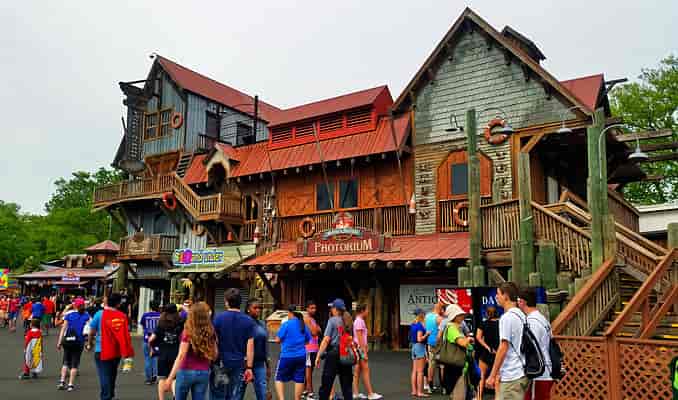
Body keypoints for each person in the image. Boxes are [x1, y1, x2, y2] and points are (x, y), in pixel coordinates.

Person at [164, 302, 218, 400]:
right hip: (203, 371)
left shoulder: (188, 331)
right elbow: (215, 354)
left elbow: (181, 356)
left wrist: (170, 378)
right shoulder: (211, 331)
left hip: (186, 370)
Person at [87, 293, 135, 400]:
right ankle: (110, 394)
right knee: (112, 374)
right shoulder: (122, 316)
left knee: (104, 375)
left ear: (106, 302)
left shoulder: (99, 314)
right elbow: (125, 335)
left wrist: (89, 343)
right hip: (116, 351)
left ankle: (106, 396)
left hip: (101, 350)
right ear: (118, 304)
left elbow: (91, 331)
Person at [211, 288, 256, 400]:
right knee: (234, 395)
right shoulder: (248, 321)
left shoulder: (218, 319)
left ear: (226, 302)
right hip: (239, 363)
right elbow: (250, 347)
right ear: (240, 302)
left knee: (218, 394)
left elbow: (214, 341)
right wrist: (249, 367)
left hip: (221, 362)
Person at [487, 282, 528, 400]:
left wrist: (492, 375)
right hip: (522, 370)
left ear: (505, 296)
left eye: (498, 294)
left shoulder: (507, 317)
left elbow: (503, 347)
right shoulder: (522, 315)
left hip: (511, 375)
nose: (496, 297)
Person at [519, 287, 553, 400]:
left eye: (519, 301)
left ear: (523, 302)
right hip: (546, 370)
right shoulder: (542, 319)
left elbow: (531, 347)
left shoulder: (531, 321)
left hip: (538, 373)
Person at [316, 298, 354, 400]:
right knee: (346, 385)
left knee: (327, 382)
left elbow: (326, 340)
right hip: (345, 352)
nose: (331, 309)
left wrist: (318, 355)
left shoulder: (332, 321)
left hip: (333, 353)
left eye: (332, 308)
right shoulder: (349, 321)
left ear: (336, 309)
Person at [275, 305, 311, 400]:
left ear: (290, 313)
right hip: (301, 356)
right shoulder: (303, 325)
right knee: (299, 379)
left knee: (279, 378)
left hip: (287, 355)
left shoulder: (286, 324)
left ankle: (282, 399)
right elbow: (308, 340)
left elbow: (277, 340)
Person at [149, 304, 184, 400]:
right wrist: (183, 307)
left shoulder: (161, 324)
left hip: (163, 355)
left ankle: (161, 399)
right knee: (174, 379)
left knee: (162, 378)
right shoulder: (180, 323)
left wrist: (152, 348)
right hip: (176, 355)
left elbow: (151, 339)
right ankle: (176, 397)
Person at [439, 304, 473, 400]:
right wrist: (469, 339)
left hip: (456, 366)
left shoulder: (454, 327)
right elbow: (463, 343)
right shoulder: (452, 328)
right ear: (454, 316)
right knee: (459, 394)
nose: (462, 316)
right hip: (455, 367)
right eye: (460, 315)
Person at [56, 297, 90, 391]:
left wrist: (59, 342)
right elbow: (88, 330)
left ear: (75, 305)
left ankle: (62, 381)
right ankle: (70, 384)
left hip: (67, 341)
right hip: (79, 341)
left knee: (65, 361)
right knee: (75, 363)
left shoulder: (69, 314)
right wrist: (88, 343)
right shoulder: (86, 315)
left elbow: (63, 329)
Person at [241, 298, 271, 400]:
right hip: (243, 364)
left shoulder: (262, 324)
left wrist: (268, 364)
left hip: (259, 363)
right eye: (255, 308)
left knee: (262, 394)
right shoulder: (242, 323)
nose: (258, 310)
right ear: (248, 309)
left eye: (260, 308)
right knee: (238, 394)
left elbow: (265, 345)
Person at [352, 304, 382, 400]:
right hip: (359, 348)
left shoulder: (359, 320)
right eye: (367, 310)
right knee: (365, 370)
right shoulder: (359, 321)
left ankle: (355, 393)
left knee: (357, 371)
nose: (368, 312)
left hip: (358, 347)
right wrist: (364, 351)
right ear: (362, 311)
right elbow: (360, 337)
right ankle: (370, 394)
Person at [475, 306, 499, 400]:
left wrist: (487, 347)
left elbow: (478, 337)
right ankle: (497, 398)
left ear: (487, 313)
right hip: (498, 353)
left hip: (486, 353)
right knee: (497, 378)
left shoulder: (483, 323)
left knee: (481, 376)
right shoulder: (501, 323)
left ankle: (479, 397)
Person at [140, 300, 162, 385]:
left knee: (147, 359)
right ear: (158, 307)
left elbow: (143, 325)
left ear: (150, 306)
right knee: (156, 358)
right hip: (157, 340)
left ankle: (148, 379)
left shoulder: (145, 315)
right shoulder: (160, 316)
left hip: (147, 339)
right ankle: (156, 377)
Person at [409, 308, 430, 398]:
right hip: (420, 347)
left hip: (414, 347)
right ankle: (419, 392)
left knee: (414, 370)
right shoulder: (420, 326)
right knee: (420, 371)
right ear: (421, 315)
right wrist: (427, 334)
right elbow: (419, 339)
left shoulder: (413, 324)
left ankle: (414, 390)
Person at [303, 300, 321, 399]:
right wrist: (316, 328)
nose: (314, 310)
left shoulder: (312, 319)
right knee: (308, 371)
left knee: (310, 370)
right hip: (308, 348)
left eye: (315, 308)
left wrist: (316, 329)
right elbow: (314, 332)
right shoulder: (306, 319)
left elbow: (320, 330)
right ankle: (310, 391)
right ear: (307, 309)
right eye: (312, 308)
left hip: (314, 348)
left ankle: (304, 390)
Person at [424, 303, 443, 393]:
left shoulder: (427, 316)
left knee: (431, 365)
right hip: (438, 344)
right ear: (440, 309)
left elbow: (425, 328)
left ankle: (430, 386)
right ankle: (443, 386)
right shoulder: (439, 318)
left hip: (429, 343)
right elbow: (441, 333)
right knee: (442, 365)